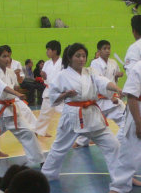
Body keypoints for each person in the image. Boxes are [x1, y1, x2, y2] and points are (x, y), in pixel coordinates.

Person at [41, 43, 122, 181]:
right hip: (72, 114)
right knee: (59, 148)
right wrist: (65, 95)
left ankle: (121, 178)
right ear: (70, 57)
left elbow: (102, 82)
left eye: (84, 56)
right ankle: (46, 175)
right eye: (78, 56)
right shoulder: (63, 75)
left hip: (92, 114)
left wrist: (117, 89)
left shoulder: (90, 72)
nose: (81, 59)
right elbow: (53, 96)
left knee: (113, 145)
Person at [74, 40, 125, 148]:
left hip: (113, 100)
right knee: (92, 125)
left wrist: (119, 74)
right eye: (104, 49)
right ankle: (81, 142)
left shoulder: (113, 62)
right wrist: (110, 96)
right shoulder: (95, 63)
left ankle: (117, 142)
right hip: (102, 100)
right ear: (99, 51)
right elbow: (99, 82)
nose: (107, 51)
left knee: (126, 120)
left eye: (109, 48)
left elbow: (113, 77)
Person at [108, 59, 141, 193]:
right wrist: (138, 123)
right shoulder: (138, 68)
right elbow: (132, 97)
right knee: (130, 149)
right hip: (138, 110)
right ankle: (120, 185)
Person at [35, 41, 63, 138]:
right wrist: (44, 76)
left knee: (67, 113)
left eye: (48, 50)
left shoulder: (63, 63)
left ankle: (77, 134)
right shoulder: (47, 63)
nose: (47, 52)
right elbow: (45, 78)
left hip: (61, 93)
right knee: (44, 113)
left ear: (54, 51)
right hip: (49, 91)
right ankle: (38, 131)